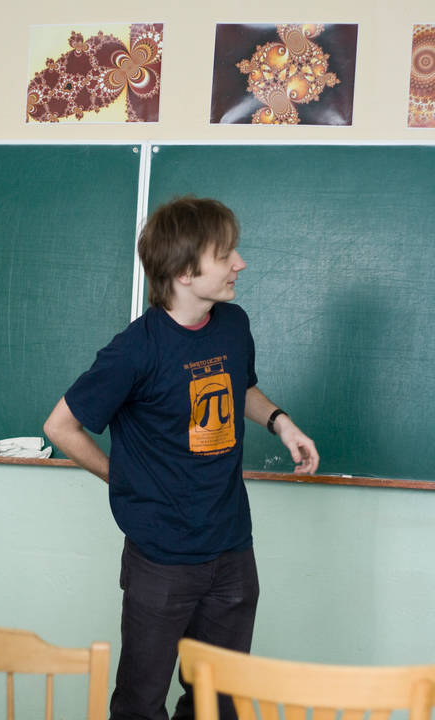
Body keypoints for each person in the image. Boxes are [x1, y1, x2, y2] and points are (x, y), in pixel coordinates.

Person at [44, 196, 319, 720]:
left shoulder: (232, 324)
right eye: (226, 254)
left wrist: (281, 422)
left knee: (218, 703)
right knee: (141, 704)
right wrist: (121, 479)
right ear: (186, 271)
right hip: (161, 558)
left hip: (232, 549)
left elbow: (240, 387)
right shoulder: (135, 350)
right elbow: (60, 426)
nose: (240, 263)